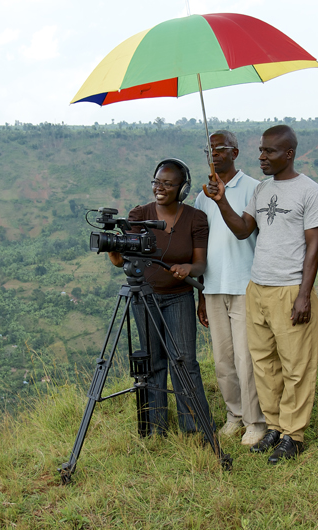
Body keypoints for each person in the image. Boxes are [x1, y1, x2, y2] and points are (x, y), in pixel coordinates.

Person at [204, 125, 318, 464]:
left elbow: (314, 246)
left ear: (288, 153)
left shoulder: (310, 191)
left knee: (296, 366)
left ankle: (293, 434)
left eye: (270, 152)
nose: (262, 157)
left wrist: (304, 295)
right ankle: (273, 426)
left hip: (289, 290)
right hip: (257, 287)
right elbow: (244, 230)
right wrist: (221, 201)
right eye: (260, 150)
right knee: (264, 364)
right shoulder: (261, 190)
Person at [108, 158, 214, 436]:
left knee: (184, 362)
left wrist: (189, 268)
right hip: (145, 298)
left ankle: (194, 428)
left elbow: (201, 264)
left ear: (182, 188)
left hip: (179, 298)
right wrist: (114, 252)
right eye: (157, 182)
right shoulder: (138, 214)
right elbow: (123, 261)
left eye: (168, 183)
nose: (160, 188)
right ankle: (155, 428)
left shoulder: (195, 219)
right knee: (153, 363)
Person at [194, 130, 267, 446]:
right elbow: (201, 246)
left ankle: (256, 421)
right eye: (208, 149)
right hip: (214, 287)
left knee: (246, 359)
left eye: (219, 148)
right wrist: (201, 293)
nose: (213, 154)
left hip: (244, 285)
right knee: (223, 358)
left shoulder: (254, 188)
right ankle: (234, 415)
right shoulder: (202, 196)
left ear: (235, 152)